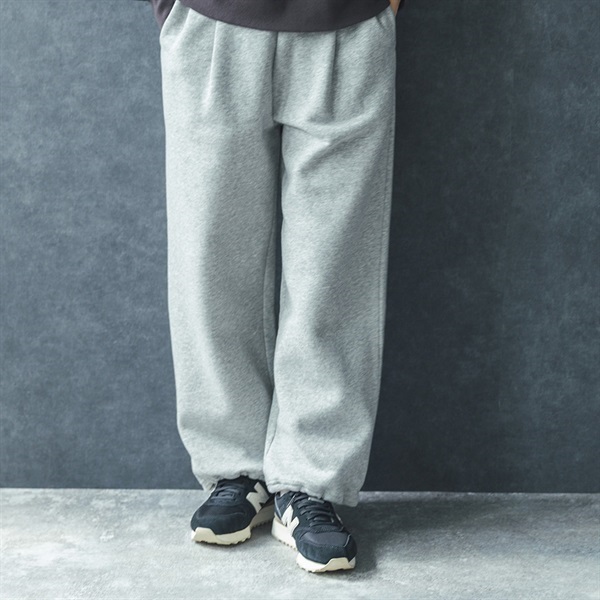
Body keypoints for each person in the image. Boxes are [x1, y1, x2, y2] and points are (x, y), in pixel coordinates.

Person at [137, 0, 401, 573]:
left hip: (349, 21)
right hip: (211, 21)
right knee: (210, 260)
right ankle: (234, 470)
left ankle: (311, 484)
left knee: (335, 269)